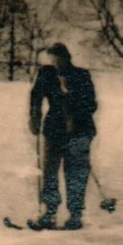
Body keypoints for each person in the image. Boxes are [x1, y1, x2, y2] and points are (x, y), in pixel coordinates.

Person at [29, 42, 98, 230]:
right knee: (50, 172)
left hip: (79, 131)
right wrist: (35, 116)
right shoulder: (46, 74)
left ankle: (75, 215)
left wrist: (74, 105)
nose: (55, 63)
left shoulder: (81, 76)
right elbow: (36, 95)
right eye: (52, 59)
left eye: (58, 59)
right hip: (54, 130)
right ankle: (49, 212)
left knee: (75, 173)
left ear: (67, 58)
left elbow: (92, 104)